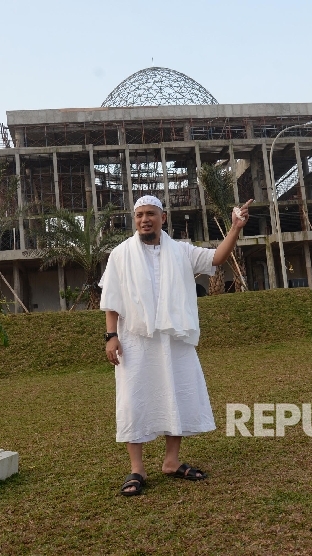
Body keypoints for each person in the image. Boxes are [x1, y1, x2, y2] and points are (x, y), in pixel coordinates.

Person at [99, 194, 253, 496]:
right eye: (140, 214)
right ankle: (137, 469)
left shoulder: (181, 251)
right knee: (134, 398)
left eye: (151, 214)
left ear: (163, 218)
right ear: (135, 219)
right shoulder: (120, 254)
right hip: (135, 340)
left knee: (175, 393)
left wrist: (235, 228)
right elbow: (112, 300)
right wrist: (110, 335)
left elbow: (216, 258)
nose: (145, 219)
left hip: (175, 338)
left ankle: (171, 462)